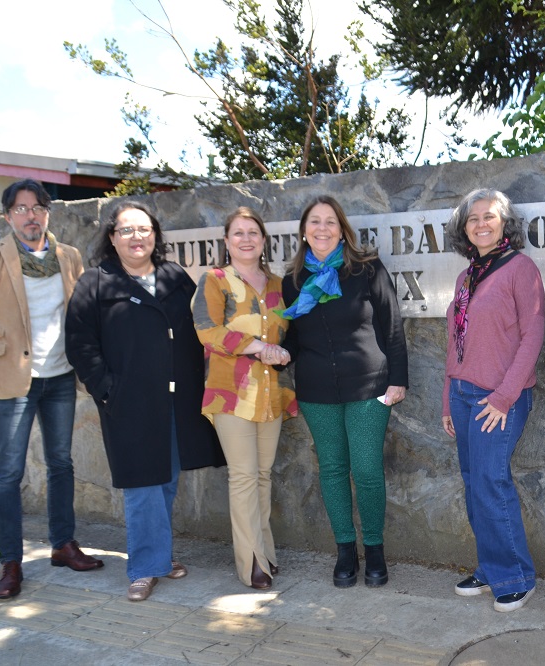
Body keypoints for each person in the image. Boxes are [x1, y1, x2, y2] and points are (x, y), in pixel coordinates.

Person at [65, 201, 224, 602]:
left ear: (155, 234)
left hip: (177, 400)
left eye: (144, 229)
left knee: (166, 480)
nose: (137, 237)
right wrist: (107, 389)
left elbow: (200, 327)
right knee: (142, 484)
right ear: (112, 238)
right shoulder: (96, 283)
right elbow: (80, 345)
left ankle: (159, 556)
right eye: (127, 230)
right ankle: (144, 567)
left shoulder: (174, 277)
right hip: (129, 403)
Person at [0, 179, 103, 600]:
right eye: (21, 209)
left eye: (38, 207)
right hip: (14, 381)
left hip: (59, 376)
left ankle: (62, 545)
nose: (31, 215)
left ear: (48, 213)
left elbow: (79, 310)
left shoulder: (68, 257)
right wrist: (2, 352)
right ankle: (10, 561)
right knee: (9, 473)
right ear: (8, 217)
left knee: (61, 463)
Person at [280, 195, 408, 588]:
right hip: (317, 390)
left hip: (369, 385)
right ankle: (345, 551)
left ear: (342, 229)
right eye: (315, 222)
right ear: (304, 231)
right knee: (333, 470)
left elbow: (391, 325)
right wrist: (276, 353)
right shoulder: (293, 281)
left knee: (367, 470)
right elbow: (294, 340)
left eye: (330, 222)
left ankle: (375, 550)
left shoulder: (366, 269)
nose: (322, 228)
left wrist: (398, 379)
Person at [441, 188, 544, 613]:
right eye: (472, 219)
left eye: (490, 216)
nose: (481, 224)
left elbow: (533, 334)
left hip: (499, 397)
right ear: (464, 229)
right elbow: (455, 341)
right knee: (473, 482)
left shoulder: (520, 269)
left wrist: (504, 397)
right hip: (464, 395)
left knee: (489, 482)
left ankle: (516, 575)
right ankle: (491, 566)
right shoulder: (467, 276)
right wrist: (448, 401)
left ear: (505, 223)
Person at [192, 207, 298, 591]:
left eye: (253, 232)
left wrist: (281, 351)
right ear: (226, 241)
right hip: (230, 394)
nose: (246, 239)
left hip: (270, 393)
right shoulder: (215, 280)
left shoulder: (277, 284)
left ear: (263, 239)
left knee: (263, 476)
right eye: (238, 233)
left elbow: (288, 331)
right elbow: (207, 331)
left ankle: (265, 553)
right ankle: (250, 563)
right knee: (242, 477)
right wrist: (256, 346)